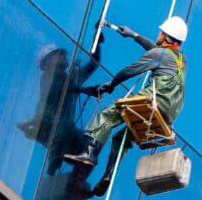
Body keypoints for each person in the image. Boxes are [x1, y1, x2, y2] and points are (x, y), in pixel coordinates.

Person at [64, 17, 188, 176]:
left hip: (155, 100)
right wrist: (134, 35)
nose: (158, 35)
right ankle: (108, 175)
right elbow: (157, 50)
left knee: (106, 116)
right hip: (169, 113)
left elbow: (130, 71)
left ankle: (89, 153)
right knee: (122, 139)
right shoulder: (181, 60)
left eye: (161, 33)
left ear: (165, 36)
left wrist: (110, 85)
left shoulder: (159, 54)